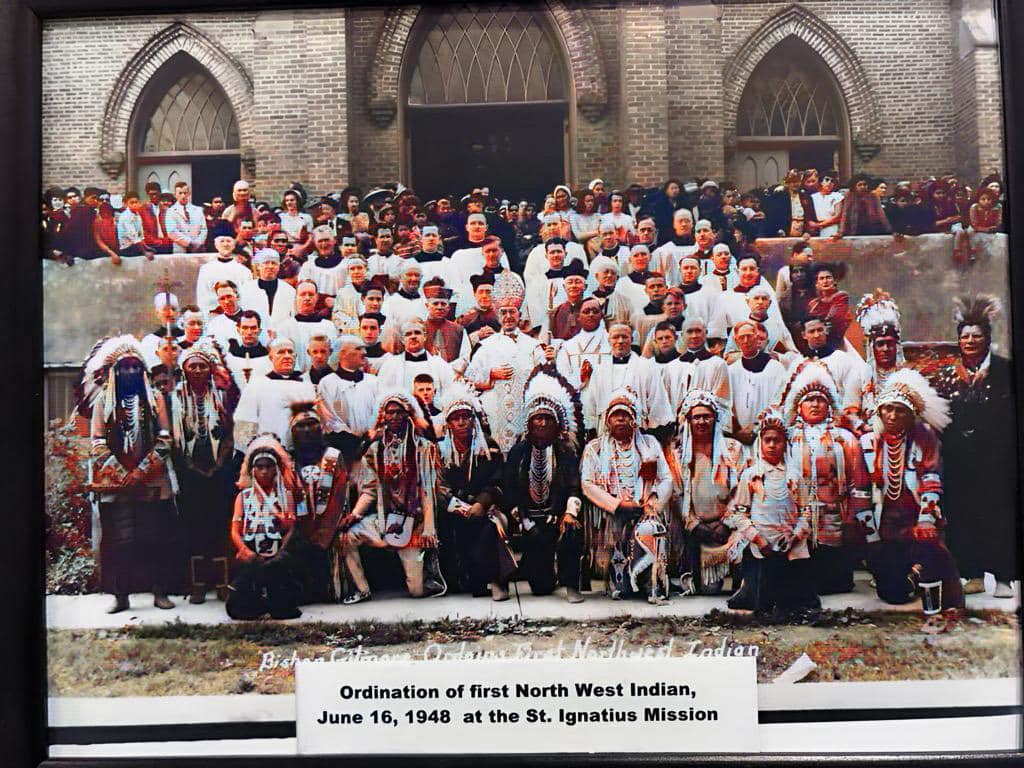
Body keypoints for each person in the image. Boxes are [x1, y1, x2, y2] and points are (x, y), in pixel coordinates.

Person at [79, 336, 179, 613]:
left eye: (136, 368)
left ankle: (159, 592)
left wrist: (143, 470)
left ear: (143, 371)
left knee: (154, 537)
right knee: (119, 540)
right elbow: (97, 441)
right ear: (115, 372)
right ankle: (121, 595)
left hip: (152, 482)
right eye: (125, 368)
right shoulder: (104, 402)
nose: (131, 373)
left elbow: (164, 439)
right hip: (115, 483)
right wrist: (120, 471)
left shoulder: (155, 398)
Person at [858, 369, 963, 621]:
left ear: (912, 414)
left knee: (939, 578)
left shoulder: (924, 436)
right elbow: (860, 491)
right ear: (880, 410)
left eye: (900, 410)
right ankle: (910, 575)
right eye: (888, 408)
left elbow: (930, 478)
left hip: (918, 524)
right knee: (893, 592)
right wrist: (871, 535)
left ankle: (921, 576)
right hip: (887, 530)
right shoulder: (869, 442)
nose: (892, 415)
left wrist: (926, 520)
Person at [932, 295, 1017, 597]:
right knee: (963, 513)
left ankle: (1005, 577)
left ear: (987, 339)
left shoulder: (1005, 371)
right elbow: (938, 417)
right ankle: (973, 573)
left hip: (997, 457)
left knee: (998, 512)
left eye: (976, 336)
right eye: (965, 336)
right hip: (959, 459)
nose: (970, 341)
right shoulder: (946, 375)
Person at [340, 390, 444, 603]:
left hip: (413, 522)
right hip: (383, 518)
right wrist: (356, 514)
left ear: (408, 414)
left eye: (399, 412)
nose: (394, 417)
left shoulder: (422, 447)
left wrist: (428, 528)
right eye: (390, 413)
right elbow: (370, 489)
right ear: (383, 416)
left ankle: (428, 574)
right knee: (347, 536)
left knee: (416, 591)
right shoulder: (376, 449)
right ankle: (361, 589)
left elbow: (427, 490)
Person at [780, 360, 871, 594]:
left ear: (829, 405)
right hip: (796, 520)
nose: (815, 404)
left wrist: (853, 518)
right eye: (809, 399)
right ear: (799, 407)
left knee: (835, 582)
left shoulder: (845, 439)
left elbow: (858, 483)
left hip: (835, 518)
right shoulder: (787, 439)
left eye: (821, 399)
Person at [725, 407, 819, 616]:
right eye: (767, 440)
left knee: (796, 600)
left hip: (790, 544)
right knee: (762, 596)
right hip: (762, 545)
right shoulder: (751, 475)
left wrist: (795, 537)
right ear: (760, 442)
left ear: (785, 443)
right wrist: (759, 540)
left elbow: (805, 511)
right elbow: (739, 514)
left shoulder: (794, 476)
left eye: (777, 440)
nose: (772, 445)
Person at [501, 371, 586, 602]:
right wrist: (526, 522)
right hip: (527, 522)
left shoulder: (566, 452)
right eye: (537, 418)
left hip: (556, 519)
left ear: (557, 423)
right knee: (541, 587)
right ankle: (536, 568)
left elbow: (573, 487)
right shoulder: (519, 452)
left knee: (573, 529)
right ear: (529, 422)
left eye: (548, 418)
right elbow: (509, 491)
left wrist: (568, 514)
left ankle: (571, 584)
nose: (542, 422)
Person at [582, 390, 673, 603]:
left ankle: (652, 581)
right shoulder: (595, 449)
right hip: (612, 515)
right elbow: (587, 484)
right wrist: (618, 504)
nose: (621, 419)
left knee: (650, 529)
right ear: (607, 420)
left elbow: (666, 478)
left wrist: (652, 501)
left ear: (634, 420)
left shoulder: (649, 444)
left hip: (645, 510)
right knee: (623, 590)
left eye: (626, 415)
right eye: (616, 415)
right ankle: (620, 578)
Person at [170, 339, 235, 604]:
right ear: (184, 369)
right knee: (194, 527)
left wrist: (219, 464)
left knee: (219, 526)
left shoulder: (221, 396)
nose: (197, 370)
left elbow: (231, 433)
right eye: (192, 366)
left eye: (202, 366)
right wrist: (190, 467)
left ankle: (221, 583)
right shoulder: (175, 397)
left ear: (210, 369)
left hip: (218, 471)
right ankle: (198, 585)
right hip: (189, 472)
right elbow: (174, 440)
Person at [435, 385, 506, 595]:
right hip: (451, 510)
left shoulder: (488, 447)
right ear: (448, 423)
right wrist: (456, 505)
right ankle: (454, 578)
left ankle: (490, 580)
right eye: (455, 418)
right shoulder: (440, 451)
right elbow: (436, 485)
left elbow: (498, 482)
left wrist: (481, 503)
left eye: (466, 417)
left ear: (473, 420)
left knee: (489, 528)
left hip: (483, 509)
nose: (461, 422)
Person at [674, 389, 746, 595]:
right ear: (688, 420)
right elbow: (678, 496)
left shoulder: (733, 449)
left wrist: (727, 523)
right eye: (696, 417)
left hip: (730, 526)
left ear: (715, 419)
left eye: (707, 416)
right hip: (699, 529)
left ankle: (742, 582)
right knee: (709, 591)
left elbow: (742, 492)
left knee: (746, 537)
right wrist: (695, 525)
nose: (702, 422)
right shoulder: (679, 454)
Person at [226, 433, 303, 620]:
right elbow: (235, 531)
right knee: (237, 610)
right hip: (252, 553)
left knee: (284, 611)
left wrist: (281, 552)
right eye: (259, 467)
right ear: (252, 470)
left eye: (269, 467)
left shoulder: (286, 495)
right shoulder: (243, 497)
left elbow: (291, 528)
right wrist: (245, 550)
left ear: (276, 469)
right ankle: (256, 601)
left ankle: (276, 599)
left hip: (277, 554)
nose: (264, 471)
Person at [581, 323, 674, 438]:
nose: (620, 341)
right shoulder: (600, 370)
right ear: (609, 340)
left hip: (639, 434)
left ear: (632, 339)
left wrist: (653, 431)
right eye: (615, 337)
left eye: (624, 337)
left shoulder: (647, 367)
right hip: (606, 435)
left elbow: (657, 400)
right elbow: (591, 404)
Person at [233, 338, 317, 452]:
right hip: (267, 453)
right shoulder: (257, 384)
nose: (287, 356)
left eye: (290, 352)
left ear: (295, 356)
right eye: (281, 352)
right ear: (271, 358)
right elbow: (245, 421)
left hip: (301, 452)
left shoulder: (306, 384)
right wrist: (249, 451)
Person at [314, 335, 380, 457]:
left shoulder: (373, 382)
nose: (364, 352)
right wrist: (358, 443)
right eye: (358, 348)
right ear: (342, 354)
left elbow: (381, 412)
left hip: (375, 449)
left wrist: (375, 434)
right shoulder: (328, 383)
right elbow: (331, 420)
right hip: (344, 451)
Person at [727, 320, 788, 445]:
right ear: (736, 341)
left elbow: (780, 401)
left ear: (756, 338)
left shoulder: (776, 368)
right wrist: (738, 430)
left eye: (749, 336)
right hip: (740, 437)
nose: (745, 341)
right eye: (741, 337)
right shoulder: (731, 371)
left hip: (769, 436)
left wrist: (757, 427)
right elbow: (727, 405)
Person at [854, 290, 905, 428]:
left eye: (890, 344)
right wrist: (863, 427)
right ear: (872, 348)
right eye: (880, 344)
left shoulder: (908, 375)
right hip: (869, 434)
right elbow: (849, 412)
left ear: (897, 347)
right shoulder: (860, 376)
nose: (885, 349)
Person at [376, 318, 455, 397]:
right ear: (403, 340)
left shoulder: (440, 365)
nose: (413, 336)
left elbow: (449, 392)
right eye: (408, 334)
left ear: (425, 336)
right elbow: (383, 393)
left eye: (417, 333)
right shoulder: (391, 365)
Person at [275, 280, 339, 372]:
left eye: (311, 294)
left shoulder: (328, 326)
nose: (307, 298)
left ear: (317, 297)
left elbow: (333, 356)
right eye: (303, 294)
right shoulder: (285, 327)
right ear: (296, 298)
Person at [196, 226, 254, 313]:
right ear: (216, 245)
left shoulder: (244, 272)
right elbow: (202, 296)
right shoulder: (206, 270)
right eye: (222, 241)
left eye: (228, 241)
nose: (225, 244)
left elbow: (247, 297)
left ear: (234, 244)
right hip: (213, 315)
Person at [240, 247, 296, 333]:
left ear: (278, 266)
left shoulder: (289, 291)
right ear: (258, 266)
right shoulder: (246, 289)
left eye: (274, 263)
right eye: (266, 263)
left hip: (282, 336)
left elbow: (293, 317)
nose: (270, 266)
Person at [422, 280, 471, 373]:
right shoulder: (419, 329)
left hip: (453, 376)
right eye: (435, 303)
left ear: (448, 307)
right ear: (427, 305)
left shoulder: (458, 330)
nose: (439, 307)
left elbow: (466, 356)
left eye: (443, 304)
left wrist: (446, 370)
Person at [299, 226, 346, 316]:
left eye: (326, 240)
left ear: (334, 240)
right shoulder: (308, 266)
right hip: (315, 311)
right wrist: (323, 301)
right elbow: (304, 290)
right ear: (315, 243)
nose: (324, 244)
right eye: (320, 241)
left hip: (340, 309)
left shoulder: (345, 265)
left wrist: (335, 303)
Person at [806, 262, 852, 351]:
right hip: (817, 344)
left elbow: (833, 320)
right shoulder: (813, 304)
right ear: (817, 283)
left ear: (834, 281)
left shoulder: (841, 297)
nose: (825, 281)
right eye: (821, 278)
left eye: (828, 277)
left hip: (837, 345)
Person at [139, 291, 185, 370]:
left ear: (178, 313)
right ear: (157, 313)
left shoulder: (187, 338)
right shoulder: (149, 342)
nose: (170, 313)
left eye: (173, 309)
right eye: (165, 309)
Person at [226, 310, 272, 389]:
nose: (249, 332)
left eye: (253, 328)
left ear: (259, 331)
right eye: (245, 328)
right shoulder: (232, 357)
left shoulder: (269, 356)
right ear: (238, 330)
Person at [588, 255, 633, 328]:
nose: (609, 275)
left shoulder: (625, 302)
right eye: (606, 272)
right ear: (597, 276)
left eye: (613, 273)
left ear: (617, 277)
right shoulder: (587, 301)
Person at [164, 181, 208, 253]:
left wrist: (198, 243)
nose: (183, 196)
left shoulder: (198, 210)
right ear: (175, 195)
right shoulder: (170, 211)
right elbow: (172, 232)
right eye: (180, 193)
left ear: (189, 194)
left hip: (197, 249)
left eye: (185, 193)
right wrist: (190, 243)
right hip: (180, 249)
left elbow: (203, 229)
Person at [114, 193, 155, 261]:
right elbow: (133, 236)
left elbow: (140, 235)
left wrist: (146, 247)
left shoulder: (137, 215)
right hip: (127, 248)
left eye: (136, 202)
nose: (135, 205)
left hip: (136, 245)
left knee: (155, 249)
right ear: (126, 204)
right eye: (132, 203)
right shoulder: (126, 216)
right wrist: (145, 252)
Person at [205, 281, 244, 346]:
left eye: (229, 296)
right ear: (219, 302)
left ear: (237, 297)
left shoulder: (251, 319)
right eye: (222, 298)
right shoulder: (214, 324)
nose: (226, 301)